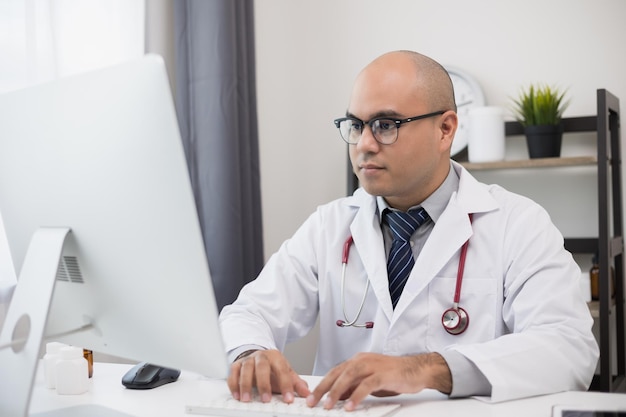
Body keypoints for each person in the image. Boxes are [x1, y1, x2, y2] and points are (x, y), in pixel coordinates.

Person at [218, 50, 599, 410]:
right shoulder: (329, 226)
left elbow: (569, 348)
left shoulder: (517, 223)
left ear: (446, 129)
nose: (364, 144)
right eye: (356, 125)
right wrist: (252, 354)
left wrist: (425, 369)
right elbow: (249, 312)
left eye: (386, 125)